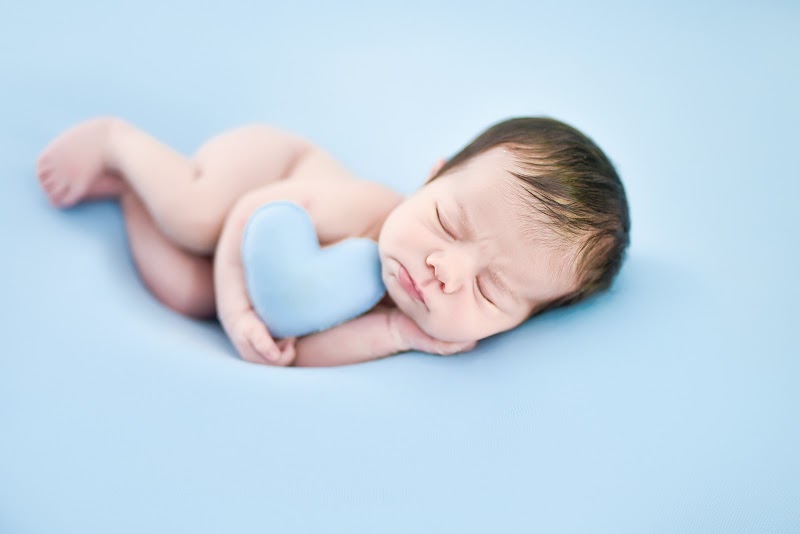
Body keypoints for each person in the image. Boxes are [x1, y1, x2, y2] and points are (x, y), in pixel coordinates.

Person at [36, 116, 630, 367]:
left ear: (520, 323)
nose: (445, 269)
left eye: (492, 290)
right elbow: (255, 212)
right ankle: (118, 141)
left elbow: (303, 350)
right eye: (449, 220)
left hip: (268, 255)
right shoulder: (370, 209)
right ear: (431, 177)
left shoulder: (415, 317)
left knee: (183, 293)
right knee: (194, 216)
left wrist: (394, 334)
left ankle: (130, 193)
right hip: (263, 176)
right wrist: (238, 307)